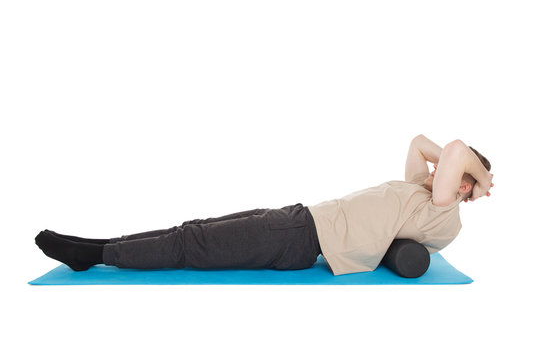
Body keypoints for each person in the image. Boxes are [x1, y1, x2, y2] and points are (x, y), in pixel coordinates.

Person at [35, 134, 493, 276]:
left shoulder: (441, 211)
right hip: (298, 219)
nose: (438, 172)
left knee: (190, 245)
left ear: (464, 187)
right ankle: (96, 246)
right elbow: (421, 142)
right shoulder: (421, 190)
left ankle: (93, 255)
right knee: (190, 230)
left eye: (458, 177)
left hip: (301, 241)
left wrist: (483, 178)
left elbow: (452, 150)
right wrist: (464, 173)